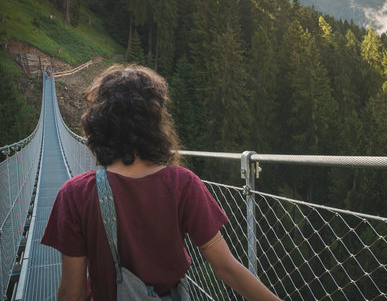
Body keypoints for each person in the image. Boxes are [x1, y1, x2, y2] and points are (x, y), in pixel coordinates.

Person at [41, 64, 281, 301]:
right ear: (155, 125)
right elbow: (226, 266)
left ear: (97, 125)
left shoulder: (75, 194)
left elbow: (72, 293)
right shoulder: (183, 184)